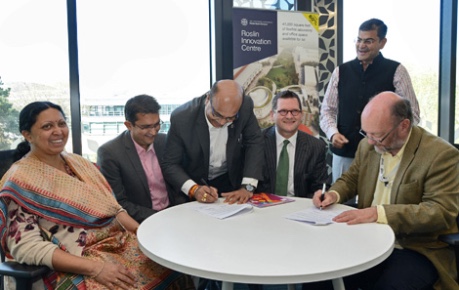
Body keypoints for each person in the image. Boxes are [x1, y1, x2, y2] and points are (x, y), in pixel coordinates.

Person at [0, 101, 195, 289]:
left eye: (61, 124)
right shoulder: (21, 181)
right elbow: (26, 247)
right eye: (47, 126)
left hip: (118, 242)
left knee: (174, 264)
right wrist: (96, 268)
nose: (58, 131)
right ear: (27, 135)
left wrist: (142, 234)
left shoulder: (80, 164)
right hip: (78, 258)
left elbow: (114, 209)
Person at [314, 92, 459, 289]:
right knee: (320, 276)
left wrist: (379, 213)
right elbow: (352, 178)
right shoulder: (368, 145)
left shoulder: (440, 155)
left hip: (413, 247)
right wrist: (333, 194)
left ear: (404, 126)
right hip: (367, 240)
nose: (371, 142)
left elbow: (440, 212)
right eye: (367, 134)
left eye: (377, 135)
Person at [319, 18, 421, 184]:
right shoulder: (341, 71)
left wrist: (391, 139)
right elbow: (327, 110)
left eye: (368, 41)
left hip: (383, 155)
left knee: (376, 206)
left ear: (382, 42)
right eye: (359, 40)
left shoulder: (397, 71)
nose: (361, 45)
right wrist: (333, 133)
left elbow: (413, 115)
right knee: (340, 201)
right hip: (345, 154)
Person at [162, 79, 264, 205]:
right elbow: (170, 164)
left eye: (230, 118)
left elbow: (254, 142)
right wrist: (194, 189)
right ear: (208, 98)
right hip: (194, 180)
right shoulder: (182, 118)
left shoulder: (245, 106)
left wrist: (248, 187)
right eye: (217, 114)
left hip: (230, 179)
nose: (221, 122)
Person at [97, 95, 186, 223]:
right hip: (140, 222)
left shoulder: (164, 141)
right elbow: (118, 203)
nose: (153, 132)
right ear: (128, 125)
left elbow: (177, 182)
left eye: (157, 125)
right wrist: (160, 217)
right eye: (146, 127)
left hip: (174, 214)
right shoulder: (110, 153)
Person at [257, 90, 329, 197]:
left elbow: (320, 187)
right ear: (272, 115)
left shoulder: (316, 147)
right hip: (263, 205)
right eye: (283, 111)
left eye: (294, 111)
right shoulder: (257, 142)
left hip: (299, 207)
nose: (289, 116)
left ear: (301, 115)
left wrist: (320, 196)